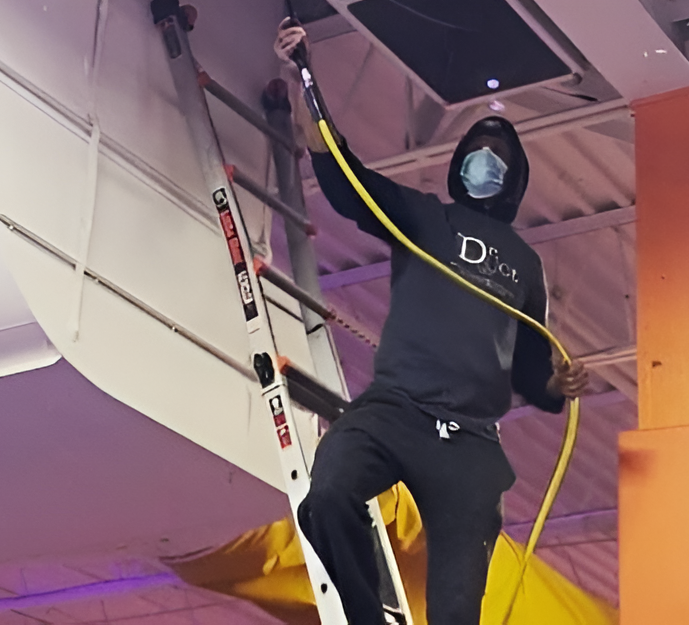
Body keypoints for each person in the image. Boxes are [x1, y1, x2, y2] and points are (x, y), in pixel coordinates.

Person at [275, 20, 588, 625]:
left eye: (498, 156)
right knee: (329, 495)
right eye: (478, 152)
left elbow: (529, 370)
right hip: (397, 409)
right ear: (460, 163)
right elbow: (345, 181)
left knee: (456, 612)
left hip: (470, 444)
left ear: (513, 178)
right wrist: (303, 78)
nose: (486, 161)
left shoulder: (525, 263)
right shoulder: (424, 219)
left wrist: (558, 384)